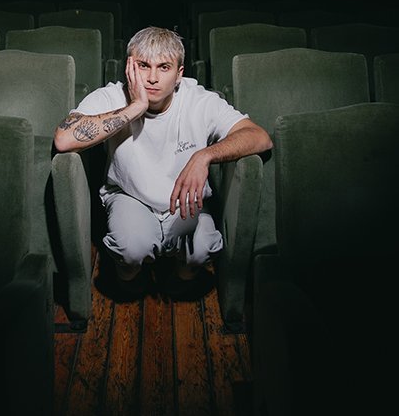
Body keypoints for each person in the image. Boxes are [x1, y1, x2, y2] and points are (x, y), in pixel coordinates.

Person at [54, 26, 272, 301]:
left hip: (184, 199)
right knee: (131, 248)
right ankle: (130, 275)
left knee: (201, 249)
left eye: (164, 67)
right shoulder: (111, 96)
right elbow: (63, 139)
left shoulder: (200, 100)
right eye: (143, 66)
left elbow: (259, 137)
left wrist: (204, 156)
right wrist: (136, 107)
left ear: (179, 74)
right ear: (129, 67)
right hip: (130, 195)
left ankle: (181, 276)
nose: (152, 78)